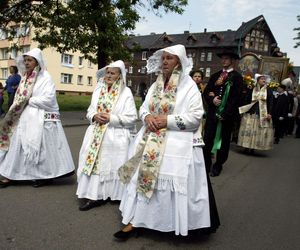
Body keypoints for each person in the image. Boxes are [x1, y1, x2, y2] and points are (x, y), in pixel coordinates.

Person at [114, 44, 220, 239]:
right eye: (163, 58)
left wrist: (167, 120)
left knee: (166, 181)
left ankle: (169, 223)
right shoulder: (156, 84)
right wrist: (147, 117)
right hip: (150, 138)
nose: (164, 61)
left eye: (169, 58)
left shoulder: (188, 86)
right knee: (143, 178)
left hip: (176, 141)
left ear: (179, 62)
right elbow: (144, 108)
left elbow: (196, 116)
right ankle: (137, 219)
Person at [0, 48, 75, 188]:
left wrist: (29, 100)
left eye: (30, 60)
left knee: (42, 151)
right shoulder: (25, 78)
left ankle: (45, 176)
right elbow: (19, 97)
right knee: (19, 146)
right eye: (25, 60)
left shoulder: (45, 77)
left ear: (37, 62)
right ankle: (12, 174)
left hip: (41, 119)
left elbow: (49, 99)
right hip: (24, 118)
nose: (27, 63)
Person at [76, 60, 137, 211]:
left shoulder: (125, 92)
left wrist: (112, 118)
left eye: (112, 73)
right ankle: (94, 195)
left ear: (119, 76)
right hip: (96, 133)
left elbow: (131, 117)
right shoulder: (98, 89)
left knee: (112, 164)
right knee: (96, 164)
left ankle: (114, 193)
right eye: (107, 72)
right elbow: (90, 110)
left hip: (115, 135)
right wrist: (94, 116)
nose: (109, 75)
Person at [203, 49, 243, 176]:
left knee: (223, 141)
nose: (223, 60)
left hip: (226, 117)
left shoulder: (237, 77)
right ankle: (206, 164)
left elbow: (236, 99)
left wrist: (225, 114)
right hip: (212, 115)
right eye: (222, 58)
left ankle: (218, 165)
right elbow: (206, 92)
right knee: (208, 139)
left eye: (226, 58)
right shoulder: (215, 76)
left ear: (232, 60)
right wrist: (212, 99)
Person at [237, 74, 273, 153]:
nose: (264, 80)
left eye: (264, 79)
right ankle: (246, 147)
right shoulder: (252, 89)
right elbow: (247, 100)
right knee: (248, 130)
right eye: (262, 79)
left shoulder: (268, 90)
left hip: (262, 114)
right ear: (258, 80)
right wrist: (244, 109)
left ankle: (253, 148)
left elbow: (270, 102)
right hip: (251, 113)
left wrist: (269, 113)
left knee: (257, 131)